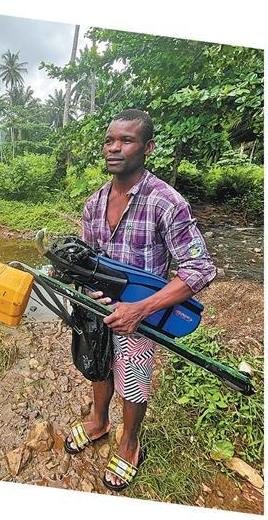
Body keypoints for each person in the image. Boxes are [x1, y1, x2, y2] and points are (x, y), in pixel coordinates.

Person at [64, 109, 216, 492]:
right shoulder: (94, 203)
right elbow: (88, 258)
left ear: (147, 148)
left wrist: (141, 309)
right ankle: (99, 422)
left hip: (141, 315)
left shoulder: (166, 202)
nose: (114, 148)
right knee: (98, 366)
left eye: (126, 140)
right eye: (109, 140)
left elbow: (200, 268)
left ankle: (129, 444)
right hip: (97, 308)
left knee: (133, 381)